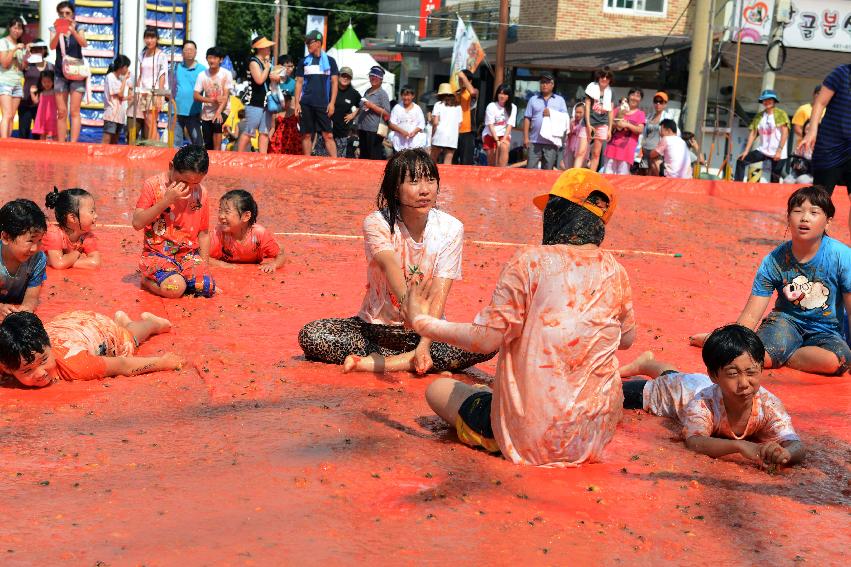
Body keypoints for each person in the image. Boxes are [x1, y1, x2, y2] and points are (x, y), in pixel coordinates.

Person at [403, 168, 634, 465]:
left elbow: (486, 340)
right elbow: (627, 339)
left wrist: (423, 323)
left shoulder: (529, 262)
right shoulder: (616, 272)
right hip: (592, 437)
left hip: (533, 438)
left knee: (439, 390)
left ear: (558, 213)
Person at [298, 149, 495, 374]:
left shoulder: (451, 228)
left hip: (429, 332)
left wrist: (424, 342)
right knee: (312, 335)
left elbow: (440, 292)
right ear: (395, 190)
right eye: (413, 182)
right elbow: (389, 265)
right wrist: (408, 306)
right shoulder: (377, 223)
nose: (424, 190)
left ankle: (391, 361)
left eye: (430, 180)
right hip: (374, 330)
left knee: (490, 340)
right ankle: (410, 361)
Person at [690, 186, 851, 376]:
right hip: (786, 323)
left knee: (838, 360)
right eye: (798, 211)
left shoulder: (842, 256)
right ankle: (716, 339)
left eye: (814, 212)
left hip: (827, 329)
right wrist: (730, 342)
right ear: (788, 218)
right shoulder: (773, 261)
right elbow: (751, 315)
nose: (805, 218)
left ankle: (784, 356)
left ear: (828, 222)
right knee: (757, 358)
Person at [620, 325, 805, 469]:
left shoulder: (769, 405)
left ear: (761, 369)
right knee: (611, 391)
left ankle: (646, 364)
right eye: (733, 373)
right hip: (675, 392)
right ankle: (645, 365)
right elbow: (695, 442)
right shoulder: (703, 403)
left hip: (693, 382)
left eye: (751, 372)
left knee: (672, 374)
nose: (744, 383)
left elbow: (796, 445)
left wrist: (785, 454)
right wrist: (739, 447)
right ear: (714, 375)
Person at [0, 310, 181, 387]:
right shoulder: (10, 356)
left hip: (101, 329)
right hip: (68, 322)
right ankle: (123, 323)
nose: (40, 373)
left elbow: (123, 364)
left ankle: (151, 324)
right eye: (27, 370)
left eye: (44, 361)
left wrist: (162, 362)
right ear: (7, 367)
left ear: (49, 345)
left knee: (129, 340)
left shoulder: (77, 365)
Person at [131, 145, 216, 299]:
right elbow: (137, 223)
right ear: (171, 166)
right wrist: (166, 201)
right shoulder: (153, 185)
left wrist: (204, 268)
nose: (188, 188)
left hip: (188, 256)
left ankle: (181, 278)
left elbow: (203, 234)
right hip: (157, 255)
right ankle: (147, 280)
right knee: (175, 288)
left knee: (206, 287)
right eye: (183, 181)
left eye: (195, 183)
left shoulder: (202, 193)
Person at [798, 63, 851, 238]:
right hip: (830, 146)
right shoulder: (841, 73)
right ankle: (814, 242)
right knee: (820, 200)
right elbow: (820, 102)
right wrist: (812, 131)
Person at [209, 189, 285, 273]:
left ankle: (276, 244)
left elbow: (281, 255)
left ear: (246, 216)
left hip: (259, 252)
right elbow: (202, 256)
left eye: (227, 212)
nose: (221, 216)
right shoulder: (219, 233)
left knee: (279, 248)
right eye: (220, 210)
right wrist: (221, 264)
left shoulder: (259, 234)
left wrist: (273, 264)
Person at [295, 29, 339, 158]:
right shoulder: (303, 61)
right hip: (306, 104)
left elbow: (334, 83)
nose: (307, 44)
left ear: (319, 43)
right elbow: (298, 83)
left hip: (323, 104)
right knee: (307, 134)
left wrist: (332, 103)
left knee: (328, 135)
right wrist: (297, 103)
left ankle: (335, 162)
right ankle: (307, 161)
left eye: (310, 42)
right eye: (306, 42)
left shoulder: (330, 61)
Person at [0, 199, 47, 316]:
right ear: (6, 237)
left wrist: (26, 309)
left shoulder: (38, 259)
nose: (35, 248)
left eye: (39, 240)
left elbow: (32, 296)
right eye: (30, 240)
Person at [49, 2, 88, 143]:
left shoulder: (79, 27)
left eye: (67, 13)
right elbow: (52, 47)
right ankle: (61, 144)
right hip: (60, 72)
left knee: (74, 111)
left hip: (76, 72)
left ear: (73, 14)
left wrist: (73, 31)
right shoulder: (54, 28)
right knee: (62, 112)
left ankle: (73, 144)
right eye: (61, 14)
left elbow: (84, 43)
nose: (64, 16)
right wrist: (58, 32)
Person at [734, 89, 789, 183]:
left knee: (774, 178)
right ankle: (737, 186)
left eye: (769, 99)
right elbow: (753, 133)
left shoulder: (780, 114)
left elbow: (785, 132)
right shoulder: (759, 116)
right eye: (764, 100)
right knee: (741, 161)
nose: (767, 102)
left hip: (778, 151)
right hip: (763, 150)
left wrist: (779, 150)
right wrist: (746, 151)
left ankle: (772, 196)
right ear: (762, 102)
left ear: (774, 100)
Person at [42, 187, 99, 269]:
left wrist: (67, 261)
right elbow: (59, 264)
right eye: (92, 212)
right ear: (72, 218)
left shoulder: (87, 236)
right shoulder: (54, 234)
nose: (96, 216)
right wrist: (78, 253)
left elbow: (95, 263)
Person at [238, 36, 277, 154]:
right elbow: (259, 80)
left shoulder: (267, 63)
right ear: (260, 48)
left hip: (267, 103)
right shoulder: (253, 62)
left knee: (264, 132)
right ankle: (238, 156)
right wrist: (267, 69)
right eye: (267, 47)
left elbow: (273, 80)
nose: (269, 48)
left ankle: (262, 159)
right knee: (249, 131)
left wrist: (276, 76)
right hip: (255, 102)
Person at [523, 72, 568, 170]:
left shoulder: (560, 100)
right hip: (534, 141)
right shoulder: (533, 99)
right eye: (542, 82)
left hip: (551, 141)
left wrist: (551, 114)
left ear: (552, 84)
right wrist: (526, 138)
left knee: (547, 170)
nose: (544, 85)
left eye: (547, 82)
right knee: (530, 169)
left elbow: (565, 118)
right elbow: (527, 118)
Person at [315, 65, 361, 158]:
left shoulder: (354, 93)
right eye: (343, 75)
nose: (345, 78)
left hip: (341, 134)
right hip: (325, 132)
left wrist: (353, 115)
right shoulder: (328, 88)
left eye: (348, 77)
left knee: (338, 164)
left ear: (351, 79)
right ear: (338, 76)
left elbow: (362, 105)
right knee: (321, 161)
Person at [194, 46, 232, 152]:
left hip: (223, 109)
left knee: (217, 123)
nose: (212, 60)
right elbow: (196, 95)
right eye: (210, 58)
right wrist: (211, 100)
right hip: (207, 112)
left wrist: (219, 112)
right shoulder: (202, 75)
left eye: (215, 58)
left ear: (221, 60)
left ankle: (217, 153)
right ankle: (209, 158)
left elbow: (225, 96)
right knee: (208, 142)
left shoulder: (226, 74)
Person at [134, 27, 169, 141]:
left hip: (155, 91)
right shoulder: (142, 54)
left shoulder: (161, 55)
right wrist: (138, 90)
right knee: (148, 121)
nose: (149, 40)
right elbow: (141, 73)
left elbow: (162, 75)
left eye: (152, 37)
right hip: (143, 91)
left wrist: (160, 95)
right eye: (147, 37)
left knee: (151, 119)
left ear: (157, 39)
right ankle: (155, 144)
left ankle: (156, 146)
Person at [603, 87, 645, 175]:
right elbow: (608, 124)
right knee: (607, 176)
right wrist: (617, 124)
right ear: (628, 96)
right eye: (633, 95)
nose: (634, 98)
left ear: (640, 99)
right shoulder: (617, 110)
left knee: (622, 179)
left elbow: (640, 129)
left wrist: (627, 125)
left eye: (638, 96)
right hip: (611, 149)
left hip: (626, 152)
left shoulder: (640, 114)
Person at [17, 39, 52, 140]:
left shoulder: (50, 67)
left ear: (44, 50)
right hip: (25, 103)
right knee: (23, 133)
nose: (36, 51)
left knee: (38, 135)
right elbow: (21, 66)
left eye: (39, 49)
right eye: (34, 49)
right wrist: (27, 51)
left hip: (42, 106)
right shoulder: (27, 65)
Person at [173, 40, 205, 147]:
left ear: (196, 52)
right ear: (182, 52)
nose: (189, 52)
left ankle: (199, 162)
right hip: (176, 111)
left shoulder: (202, 70)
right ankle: (175, 162)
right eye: (186, 50)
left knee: (197, 142)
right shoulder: (176, 68)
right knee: (175, 143)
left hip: (194, 111)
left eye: (191, 50)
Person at [357, 65, 391, 160]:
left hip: (374, 131)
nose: (373, 78)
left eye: (376, 77)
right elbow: (362, 106)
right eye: (371, 76)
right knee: (363, 157)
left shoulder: (382, 94)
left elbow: (387, 113)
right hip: (363, 128)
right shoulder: (367, 91)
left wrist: (372, 106)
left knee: (373, 157)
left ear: (381, 79)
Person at [0, 17, 27, 139]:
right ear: (9, 28)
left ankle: (8, 142)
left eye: (20, 28)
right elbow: (5, 64)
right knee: (6, 114)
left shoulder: (20, 45)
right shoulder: (3, 42)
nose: (17, 31)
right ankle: (4, 143)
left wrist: (28, 56)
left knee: (11, 115)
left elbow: (22, 67)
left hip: (17, 82)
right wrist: (14, 49)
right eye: (15, 27)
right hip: (5, 81)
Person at [584, 69, 614, 172]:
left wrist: (610, 129)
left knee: (596, 153)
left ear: (610, 80)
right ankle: (578, 175)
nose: (604, 79)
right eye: (602, 76)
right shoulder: (592, 87)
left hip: (602, 123)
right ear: (598, 77)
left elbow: (610, 111)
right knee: (582, 151)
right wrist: (588, 124)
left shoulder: (611, 92)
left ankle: (592, 175)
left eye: (607, 77)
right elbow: (587, 107)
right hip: (589, 123)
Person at [640, 91, 676, 176]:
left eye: (661, 102)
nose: (658, 104)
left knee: (656, 175)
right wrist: (641, 148)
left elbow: (673, 135)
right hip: (645, 151)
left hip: (658, 152)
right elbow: (644, 134)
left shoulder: (668, 117)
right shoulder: (649, 116)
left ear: (665, 104)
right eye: (656, 101)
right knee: (643, 174)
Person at [483, 83, 516, 167]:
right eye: (500, 93)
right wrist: (497, 140)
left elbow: (510, 125)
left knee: (504, 147)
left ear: (509, 96)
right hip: (490, 134)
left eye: (505, 94)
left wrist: (503, 140)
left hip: (504, 135)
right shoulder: (491, 106)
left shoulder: (513, 107)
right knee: (492, 163)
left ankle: (502, 172)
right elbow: (490, 125)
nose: (502, 96)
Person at [101, 55, 131, 145]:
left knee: (114, 141)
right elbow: (120, 93)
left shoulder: (118, 79)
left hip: (119, 115)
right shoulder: (110, 77)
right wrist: (125, 79)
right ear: (123, 67)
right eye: (127, 67)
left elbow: (119, 98)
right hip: (111, 114)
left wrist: (129, 98)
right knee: (107, 140)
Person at [388, 86, 427, 152]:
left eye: (408, 95)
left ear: (413, 96)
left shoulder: (417, 108)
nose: (406, 98)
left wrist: (414, 132)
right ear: (401, 96)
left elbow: (421, 124)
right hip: (399, 141)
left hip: (414, 142)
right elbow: (391, 124)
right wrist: (402, 131)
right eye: (404, 95)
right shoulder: (397, 108)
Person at [452, 69, 479, 166]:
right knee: (452, 161)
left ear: (470, 81)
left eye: (463, 80)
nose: (461, 82)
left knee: (466, 162)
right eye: (460, 79)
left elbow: (473, 92)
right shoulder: (455, 94)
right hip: (454, 131)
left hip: (468, 131)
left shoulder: (473, 91)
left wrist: (463, 76)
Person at [31, 70, 57, 141]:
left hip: (52, 116)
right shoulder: (41, 92)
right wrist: (32, 93)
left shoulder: (55, 92)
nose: (46, 84)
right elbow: (35, 101)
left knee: (54, 133)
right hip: (42, 117)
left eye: (49, 82)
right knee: (42, 134)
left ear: (53, 82)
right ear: (41, 82)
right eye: (44, 82)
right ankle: (42, 149)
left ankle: (56, 149)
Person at [565, 103, 589, 169]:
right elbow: (568, 135)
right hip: (571, 148)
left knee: (579, 168)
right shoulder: (572, 121)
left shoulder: (586, 124)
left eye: (580, 112)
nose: (577, 114)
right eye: (576, 112)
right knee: (569, 168)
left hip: (580, 149)